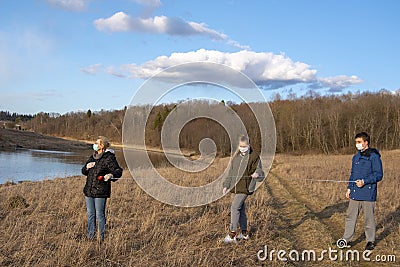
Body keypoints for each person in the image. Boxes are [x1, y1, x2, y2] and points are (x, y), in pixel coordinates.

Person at [337, 132, 383, 250]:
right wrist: (349, 188)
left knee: (369, 218)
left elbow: (379, 175)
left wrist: (364, 181)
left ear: (365, 142)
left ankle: (370, 241)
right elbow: (353, 174)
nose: (357, 144)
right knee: (350, 216)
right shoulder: (355, 157)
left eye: (359, 142)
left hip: (368, 193)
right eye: (356, 142)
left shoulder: (374, 156)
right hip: (355, 192)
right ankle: (346, 239)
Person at [222, 135, 264, 243]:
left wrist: (257, 174)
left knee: (234, 208)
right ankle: (244, 234)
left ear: (249, 145)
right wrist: (226, 185)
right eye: (241, 146)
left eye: (244, 146)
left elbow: (260, 170)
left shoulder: (254, 156)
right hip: (236, 187)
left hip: (246, 187)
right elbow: (231, 173)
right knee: (241, 210)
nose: (242, 148)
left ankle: (232, 234)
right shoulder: (236, 156)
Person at [82, 136, 122, 241]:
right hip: (89, 191)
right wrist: (87, 167)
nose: (94, 144)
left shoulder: (109, 157)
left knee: (100, 215)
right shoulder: (93, 156)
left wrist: (111, 175)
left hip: (100, 191)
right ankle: (90, 236)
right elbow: (83, 171)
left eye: (97, 143)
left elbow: (118, 170)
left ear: (102, 145)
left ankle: (101, 237)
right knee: (91, 214)